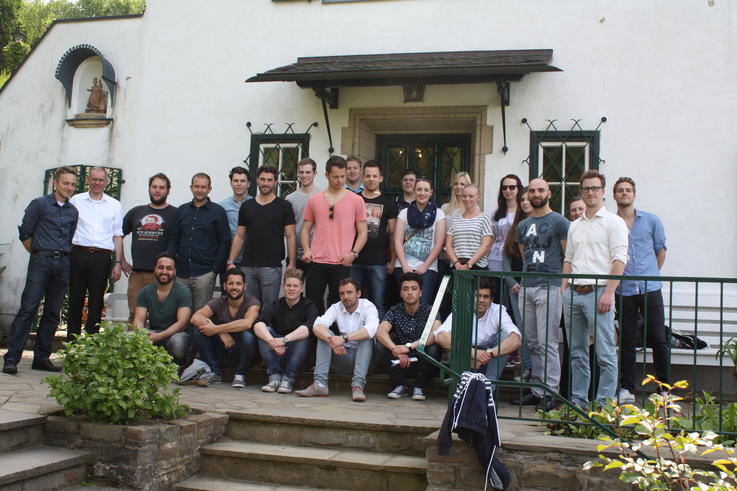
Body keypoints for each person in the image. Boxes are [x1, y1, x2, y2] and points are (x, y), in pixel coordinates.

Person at [3, 167, 79, 375]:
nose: (69, 187)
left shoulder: (73, 211)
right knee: (28, 310)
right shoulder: (39, 204)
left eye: (73, 184)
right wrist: (39, 253)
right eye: (66, 183)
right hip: (41, 262)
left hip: (63, 264)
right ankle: (11, 359)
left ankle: (42, 358)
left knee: (53, 313)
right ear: (55, 183)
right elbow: (25, 233)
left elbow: (70, 236)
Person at [562, 170, 628, 408]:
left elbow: (619, 259)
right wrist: (563, 290)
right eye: (587, 188)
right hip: (573, 293)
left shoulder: (614, 222)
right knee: (577, 352)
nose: (591, 192)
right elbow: (568, 259)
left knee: (605, 351)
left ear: (603, 192)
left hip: (599, 292)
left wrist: (609, 292)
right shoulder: (575, 225)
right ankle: (578, 399)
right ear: (582, 191)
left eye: (595, 188)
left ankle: (604, 404)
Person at [512, 178, 570, 411]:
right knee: (533, 341)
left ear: (549, 193)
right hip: (528, 286)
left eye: (540, 190)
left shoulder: (560, 222)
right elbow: (524, 254)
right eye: (532, 191)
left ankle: (551, 391)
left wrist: (563, 285)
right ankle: (537, 389)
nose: (536, 194)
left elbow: (569, 256)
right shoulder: (523, 226)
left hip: (550, 286)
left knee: (548, 342)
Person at [613, 177, 668, 403]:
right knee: (627, 339)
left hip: (649, 288)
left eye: (628, 190)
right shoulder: (611, 222)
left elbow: (660, 251)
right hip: (623, 289)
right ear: (614, 196)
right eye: (620, 191)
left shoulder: (651, 221)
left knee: (658, 337)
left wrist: (650, 274)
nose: (624, 194)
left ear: (634, 195)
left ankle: (664, 388)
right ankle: (627, 388)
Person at [301, 156, 367, 313]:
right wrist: (306, 250)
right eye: (335, 176)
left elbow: (363, 232)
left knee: (339, 305)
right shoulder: (314, 200)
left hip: (341, 261)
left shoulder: (356, 200)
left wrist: (354, 253)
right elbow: (305, 230)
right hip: (316, 260)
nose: (340, 180)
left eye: (342, 176)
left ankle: (336, 336)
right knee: (313, 302)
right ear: (326, 175)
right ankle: (315, 335)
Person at [295, 278, 378, 402]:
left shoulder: (368, 306)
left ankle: (358, 386)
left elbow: (371, 329)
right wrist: (331, 341)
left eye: (349, 292)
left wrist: (344, 339)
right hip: (341, 356)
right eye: (342, 293)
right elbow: (317, 326)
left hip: (365, 361)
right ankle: (320, 385)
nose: (345, 297)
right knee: (324, 333)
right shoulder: (336, 307)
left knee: (366, 337)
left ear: (358, 294)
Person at [227, 165, 296, 307]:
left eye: (269, 180)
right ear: (257, 180)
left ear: (275, 182)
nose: (265, 183)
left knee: (269, 307)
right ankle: (250, 330)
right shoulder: (247, 206)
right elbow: (240, 236)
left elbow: (291, 236)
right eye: (262, 179)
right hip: (248, 266)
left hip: (271, 266)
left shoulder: (284, 206)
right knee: (249, 307)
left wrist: (292, 263)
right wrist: (231, 261)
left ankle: (266, 330)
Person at [68, 167, 124, 339]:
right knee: (75, 299)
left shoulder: (115, 205)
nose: (97, 183)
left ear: (106, 182)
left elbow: (118, 235)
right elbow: (68, 228)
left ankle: (92, 343)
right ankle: (72, 344)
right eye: (94, 179)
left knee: (97, 301)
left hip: (101, 257)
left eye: (101, 180)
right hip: (78, 254)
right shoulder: (76, 201)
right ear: (88, 181)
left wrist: (117, 263)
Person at [435, 278, 522, 388]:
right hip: (464, 356)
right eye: (478, 295)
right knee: (450, 338)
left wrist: (488, 354)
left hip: (487, 358)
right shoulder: (462, 309)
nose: (481, 300)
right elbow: (440, 336)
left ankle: (488, 389)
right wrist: (471, 353)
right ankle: (461, 389)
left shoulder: (498, 310)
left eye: (485, 297)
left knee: (505, 337)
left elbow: (516, 339)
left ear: (491, 300)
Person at [375, 272, 442, 401]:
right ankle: (400, 385)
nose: (410, 292)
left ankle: (419, 386)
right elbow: (380, 332)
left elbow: (435, 334)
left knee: (434, 348)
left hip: (423, 362)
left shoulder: (430, 311)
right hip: (400, 362)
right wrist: (396, 349)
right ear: (401, 293)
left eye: (414, 289)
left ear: (420, 293)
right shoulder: (395, 310)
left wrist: (409, 347)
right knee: (381, 345)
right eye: (405, 289)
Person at [170, 173, 231, 312]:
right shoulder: (181, 210)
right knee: (180, 312)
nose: (199, 190)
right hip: (181, 272)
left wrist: (215, 270)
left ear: (209, 189)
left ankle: (196, 335)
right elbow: (173, 239)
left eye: (203, 187)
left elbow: (224, 242)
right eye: (196, 186)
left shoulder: (218, 212)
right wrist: (171, 264)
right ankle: (180, 335)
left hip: (205, 273)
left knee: (201, 315)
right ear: (191, 187)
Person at [121, 173, 178, 321]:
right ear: (149, 189)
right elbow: (117, 236)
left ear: (168, 190)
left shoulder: (176, 214)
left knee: (162, 317)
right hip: (137, 274)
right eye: (154, 187)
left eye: (161, 187)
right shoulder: (136, 212)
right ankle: (134, 345)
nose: (157, 190)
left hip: (162, 275)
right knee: (134, 316)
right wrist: (121, 260)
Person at [190, 268, 260, 387]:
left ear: (245, 286)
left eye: (238, 283)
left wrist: (216, 329)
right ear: (224, 285)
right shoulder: (219, 302)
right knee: (197, 330)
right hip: (222, 350)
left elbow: (247, 323)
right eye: (231, 283)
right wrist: (221, 333)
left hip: (241, 352)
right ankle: (214, 371)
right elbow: (195, 318)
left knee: (247, 336)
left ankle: (240, 374)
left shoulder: (252, 302)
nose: (234, 287)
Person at [253, 269, 318, 394]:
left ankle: (288, 379)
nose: (291, 289)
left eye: (295, 286)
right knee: (264, 329)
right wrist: (272, 341)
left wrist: (284, 340)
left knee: (304, 335)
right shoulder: (276, 304)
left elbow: (308, 328)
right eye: (288, 285)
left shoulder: (309, 306)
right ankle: (274, 377)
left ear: (301, 288)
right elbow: (258, 324)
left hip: (297, 353)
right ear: (283, 287)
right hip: (276, 351)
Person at [352, 160, 397, 318]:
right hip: (355, 261)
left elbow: (393, 235)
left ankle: (378, 341)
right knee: (352, 303)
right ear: (363, 178)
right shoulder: (354, 199)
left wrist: (392, 261)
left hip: (378, 261)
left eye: (374, 176)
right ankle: (354, 339)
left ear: (381, 179)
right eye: (368, 176)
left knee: (378, 303)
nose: (371, 179)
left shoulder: (388, 202)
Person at [132, 252, 192, 366]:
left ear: (174, 271)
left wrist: (159, 336)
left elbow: (182, 324)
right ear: (155, 269)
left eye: (169, 268)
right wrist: (141, 334)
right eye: (161, 267)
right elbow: (139, 320)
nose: (164, 271)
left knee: (177, 343)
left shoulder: (183, 291)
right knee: (131, 337)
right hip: (155, 333)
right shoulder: (145, 291)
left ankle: (177, 368)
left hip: (177, 334)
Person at [393, 177, 446, 305]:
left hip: (428, 268)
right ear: (415, 191)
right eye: (419, 189)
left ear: (431, 192)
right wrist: (405, 266)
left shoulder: (439, 214)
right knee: (404, 305)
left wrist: (425, 266)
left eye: (426, 190)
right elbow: (397, 241)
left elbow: (439, 243)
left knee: (423, 304)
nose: (422, 193)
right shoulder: (404, 213)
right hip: (403, 266)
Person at [445, 184, 493, 271]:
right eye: (464, 196)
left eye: (471, 196)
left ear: (478, 198)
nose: (467, 199)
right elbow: (448, 244)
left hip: (477, 267)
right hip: (457, 266)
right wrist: (456, 263)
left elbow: (486, 245)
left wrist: (469, 264)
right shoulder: (456, 219)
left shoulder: (484, 218)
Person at [286, 158, 320, 268]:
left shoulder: (322, 197)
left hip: (317, 255)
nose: (304, 175)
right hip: (295, 255)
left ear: (315, 173)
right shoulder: (290, 199)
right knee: (293, 285)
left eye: (308, 172)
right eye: (301, 172)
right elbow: (287, 229)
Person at [488, 174, 523, 272]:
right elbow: (492, 237)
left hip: (515, 257)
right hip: (495, 257)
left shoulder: (523, 212)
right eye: (504, 188)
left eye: (512, 187)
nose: (508, 190)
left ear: (518, 189)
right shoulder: (496, 213)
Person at [219, 166, 252, 269]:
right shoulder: (222, 206)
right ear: (230, 183)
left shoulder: (255, 204)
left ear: (248, 184)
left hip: (250, 259)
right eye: (235, 180)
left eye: (242, 181)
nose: (239, 184)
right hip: (228, 259)